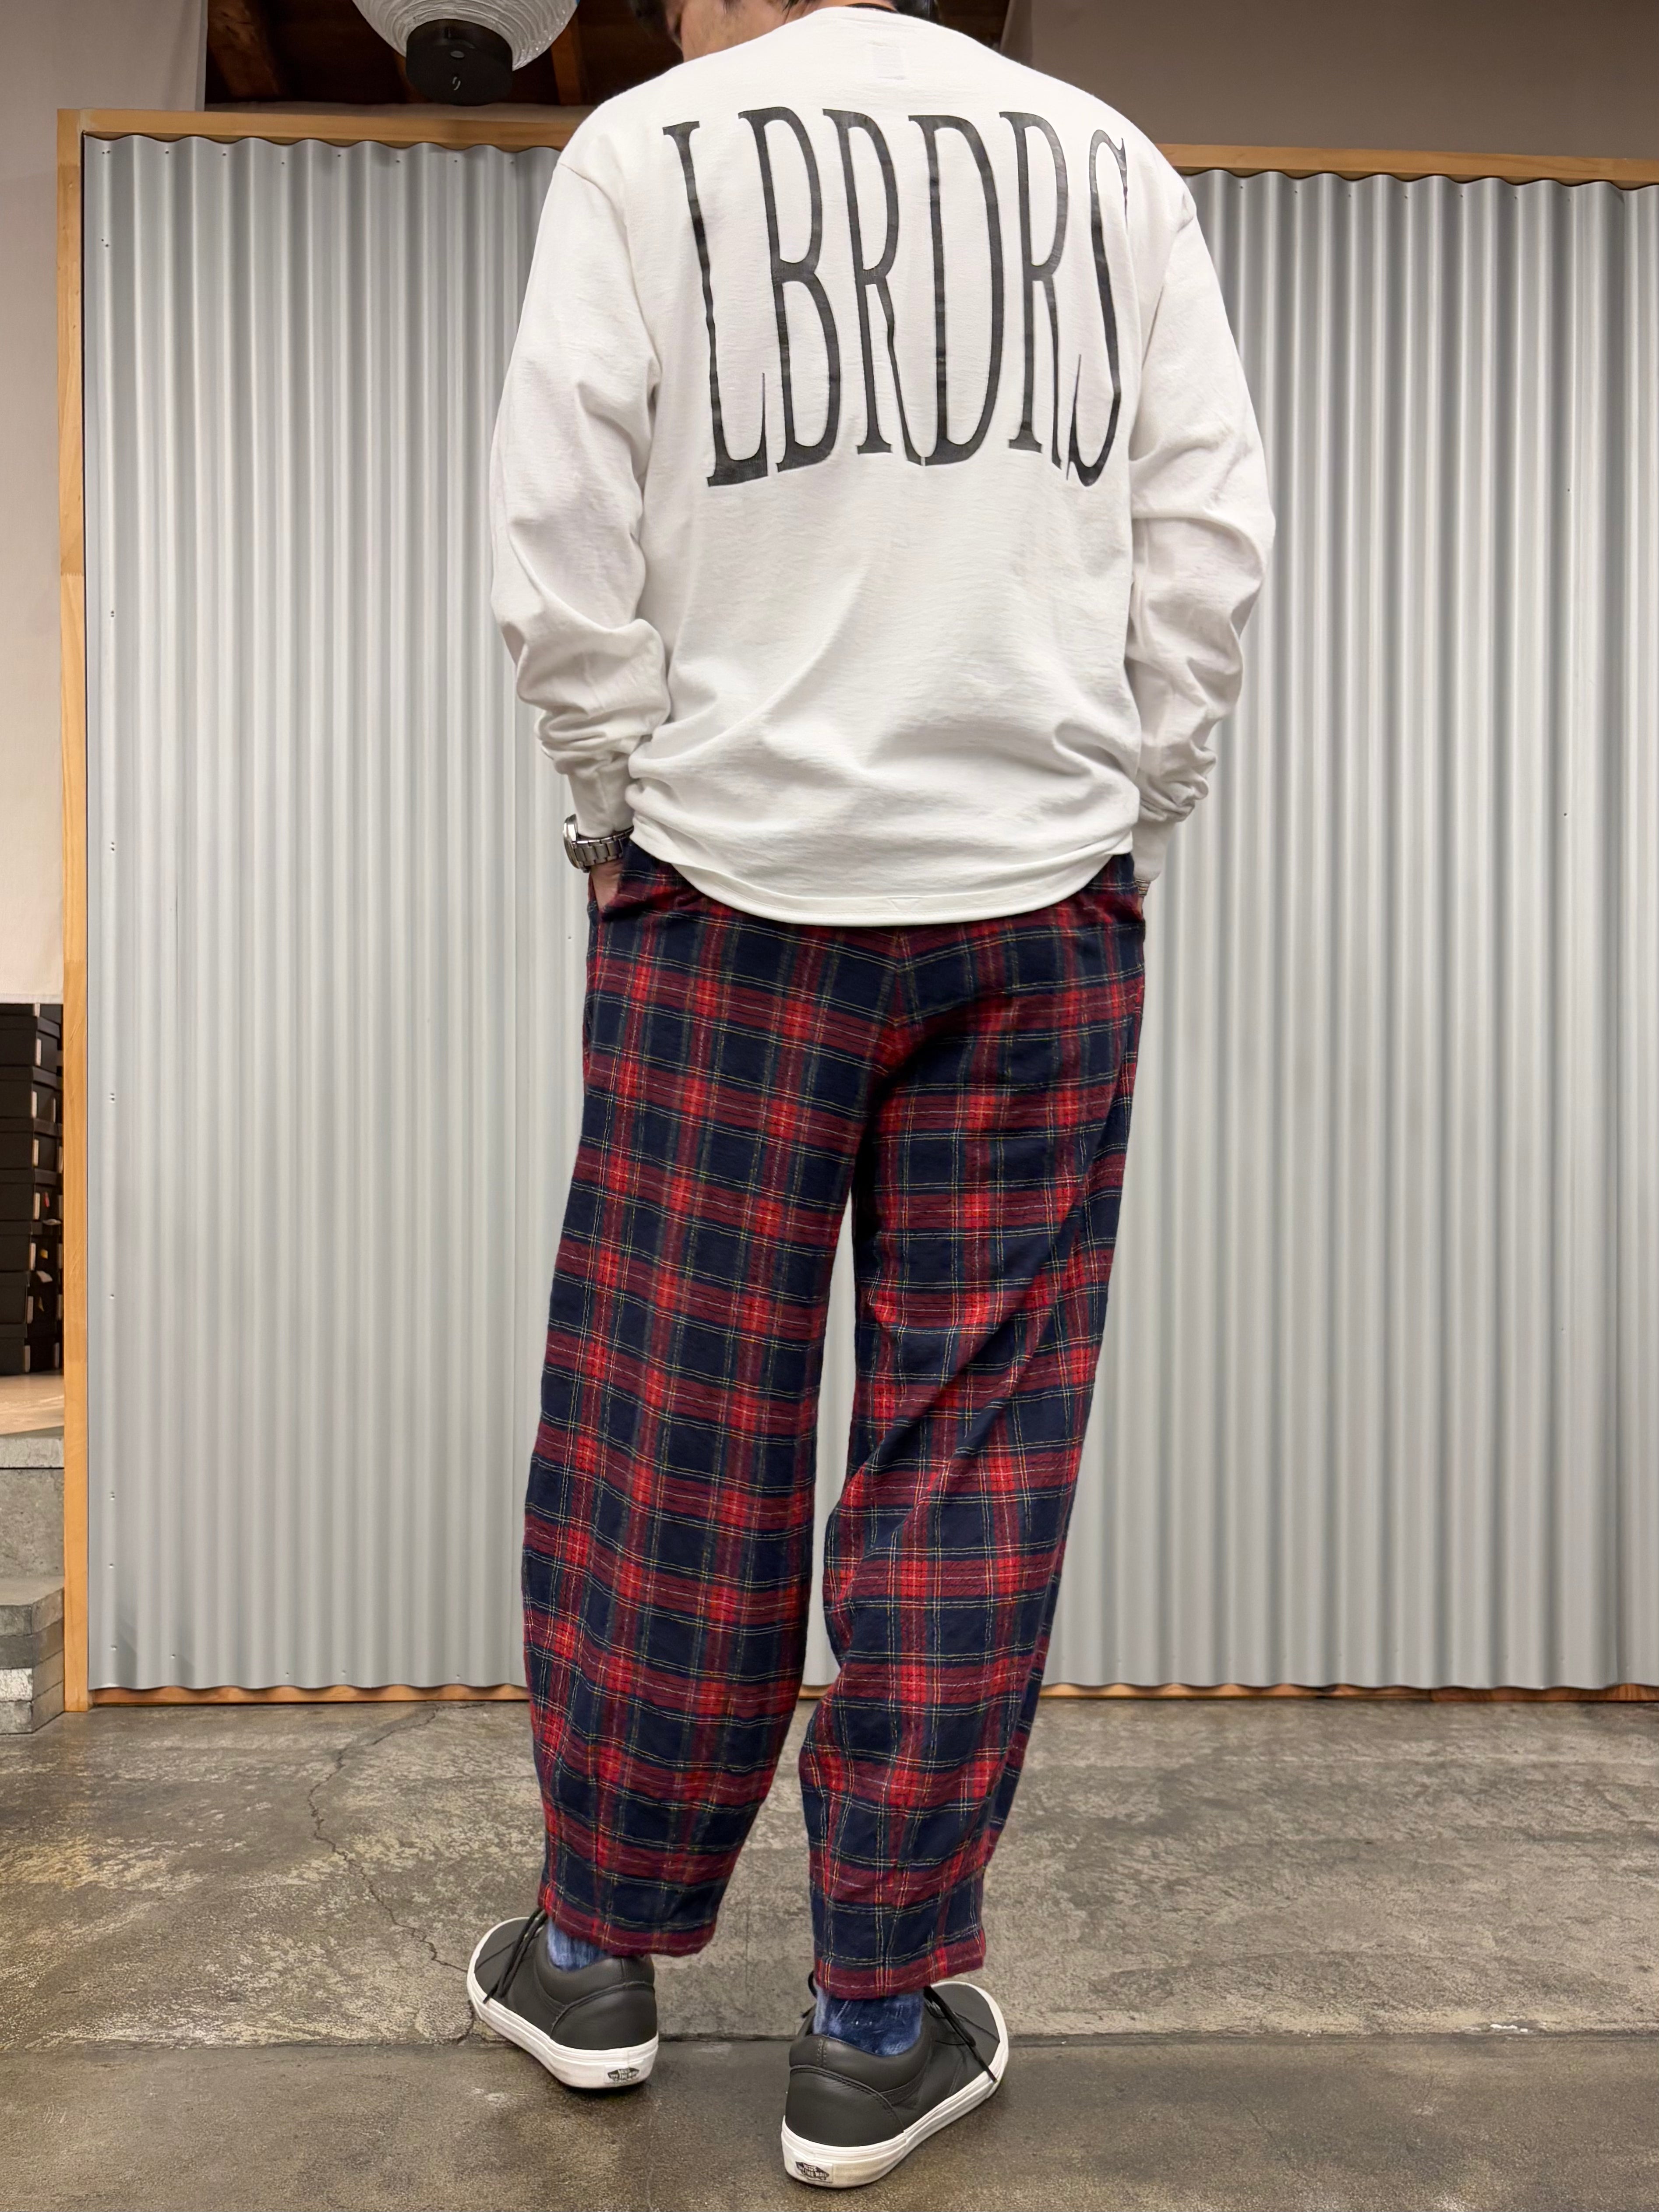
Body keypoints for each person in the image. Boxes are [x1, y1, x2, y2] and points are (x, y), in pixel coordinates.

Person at [469, 0, 1273, 2187]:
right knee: (971, 1448)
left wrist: (605, 798)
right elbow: (1203, 536)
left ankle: (595, 1954)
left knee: (668, 1429)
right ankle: (870, 2016)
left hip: (726, 893)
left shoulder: (650, 149)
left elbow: (558, 528)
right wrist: (1132, 797)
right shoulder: (1103, 161)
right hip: (1034, 900)